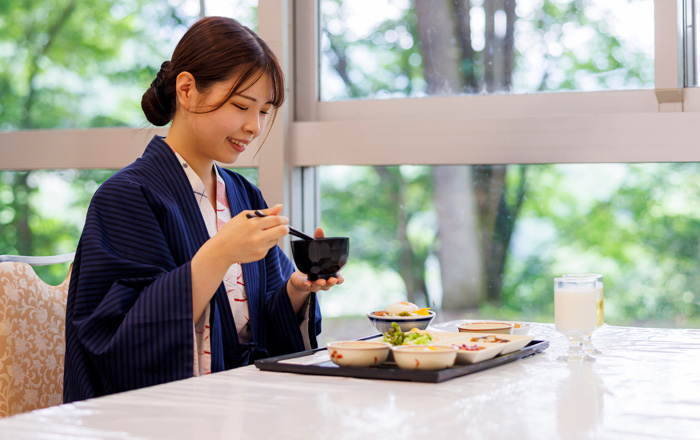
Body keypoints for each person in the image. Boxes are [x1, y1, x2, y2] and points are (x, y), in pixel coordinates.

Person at [63, 16, 343, 403]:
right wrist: (219, 253)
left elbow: (260, 322)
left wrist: (297, 290)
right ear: (188, 90)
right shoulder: (126, 196)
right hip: (169, 416)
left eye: (264, 111)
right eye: (242, 105)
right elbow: (115, 340)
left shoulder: (245, 196)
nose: (254, 127)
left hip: (245, 405)